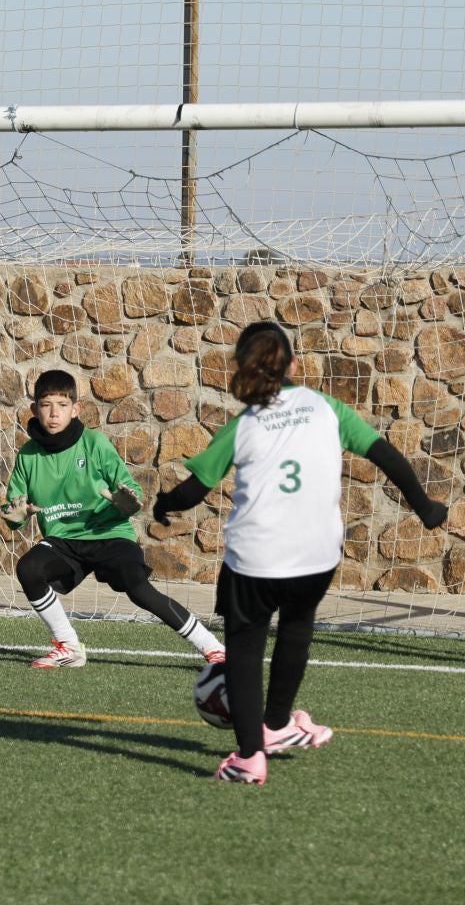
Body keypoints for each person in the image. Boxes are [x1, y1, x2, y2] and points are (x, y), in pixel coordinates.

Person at [153, 321, 447, 784]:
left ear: (244, 368)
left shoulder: (242, 425)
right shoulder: (326, 408)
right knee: (296, 628)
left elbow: (193, 491)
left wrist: (164, 503)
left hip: (256, 560)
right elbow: (386, 455)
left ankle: (251, 757)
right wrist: (425, 506)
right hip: (317, 557)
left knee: (244, 652)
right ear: (293, 364)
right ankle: (276, 725)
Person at [2, 369, 227, 669]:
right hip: (63, 542)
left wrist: (126, 504)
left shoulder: (94, 444)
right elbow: (14, 511)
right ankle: (68, 646)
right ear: (35, 409)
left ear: (76, 409)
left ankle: (214, 648)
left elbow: (130, 493)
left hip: (109, 534)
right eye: (46, 405)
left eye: (62, 404)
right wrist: (15, 517)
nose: (54, 413)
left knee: (138, 588)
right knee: (29, 568)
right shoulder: (28, 455)